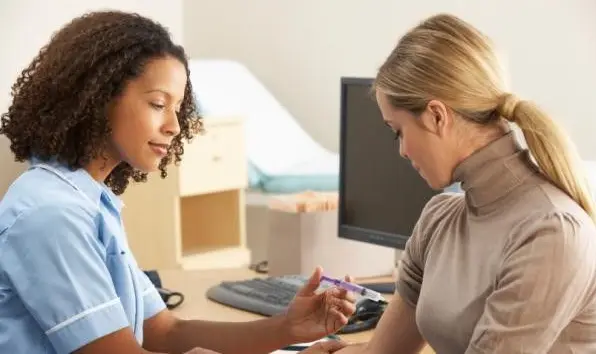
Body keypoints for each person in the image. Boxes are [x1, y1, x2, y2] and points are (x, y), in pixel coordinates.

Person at [0, 11, 354, 354]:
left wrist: (286, 328)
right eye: (158, 104)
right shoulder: (51, 215)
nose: (175, 125)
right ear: (98, 98)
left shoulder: (89, 202)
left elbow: (166, 331)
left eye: (179, 107)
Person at [336, 13, 596, 354]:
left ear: (437, 116)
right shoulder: (439, 219)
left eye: (398, 131)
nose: (402, 151)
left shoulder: (551, 232)